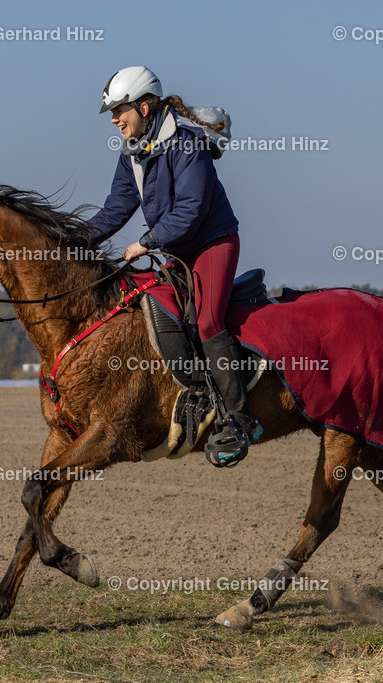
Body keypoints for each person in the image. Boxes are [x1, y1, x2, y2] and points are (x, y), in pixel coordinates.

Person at [86, 65, 262, 464]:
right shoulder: (132, 153)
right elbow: (115, 209)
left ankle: (240, 421)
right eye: (112, 112)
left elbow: (191, 210)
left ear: (145, 107)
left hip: (212, 243)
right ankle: (199, 396)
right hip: (175, 248)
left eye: (120, 110)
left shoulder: (186, 146)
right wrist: (72, 241)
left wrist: (146, 243)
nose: (114, 119)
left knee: (206, 322)